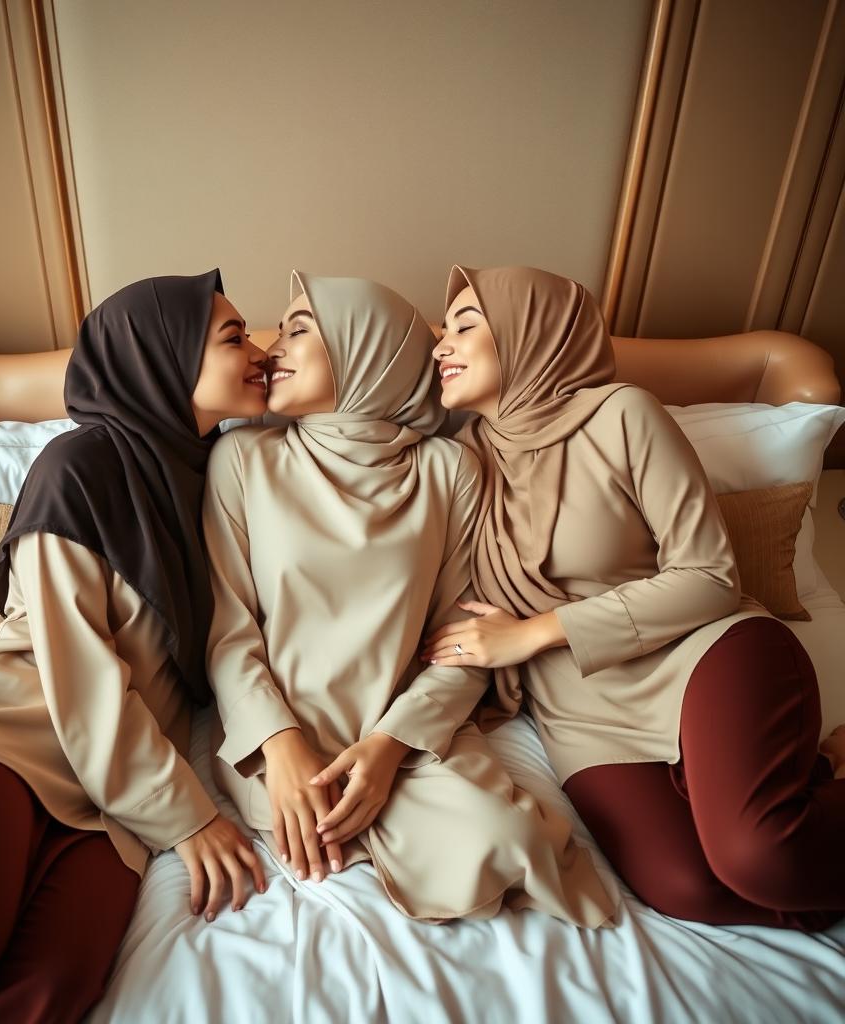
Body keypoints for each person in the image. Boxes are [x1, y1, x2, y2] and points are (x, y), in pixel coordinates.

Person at [0, 271, 272, 1022]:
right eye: (233, 337)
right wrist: (188, 816)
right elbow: (81, 678)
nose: (258, 351)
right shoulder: (78, 469)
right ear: (162, 359)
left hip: (103, 809)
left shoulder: (217, 480)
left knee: (46, 989)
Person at [423, 264, 845, 930]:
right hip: (583, 714)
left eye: (465, 326)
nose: (440, 344)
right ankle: (818, 778)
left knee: (760, 856)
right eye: (442, 331)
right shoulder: (458, 462)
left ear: (535, 332)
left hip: (702, 653)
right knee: (690, 890)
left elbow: (709, 574)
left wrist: (534, 632)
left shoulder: (622, 414)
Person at [204, 271, 613, 925]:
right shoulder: (243, 460)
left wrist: (390, 747)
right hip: (283, 740)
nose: (271, 345)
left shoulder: (448, 471)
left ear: (369, 349)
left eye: (299, 329)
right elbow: (229, 632)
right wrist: (281, 748)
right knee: (318, 821)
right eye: (278, 328)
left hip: (408, 737)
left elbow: (462, 636)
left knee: (513, 843)